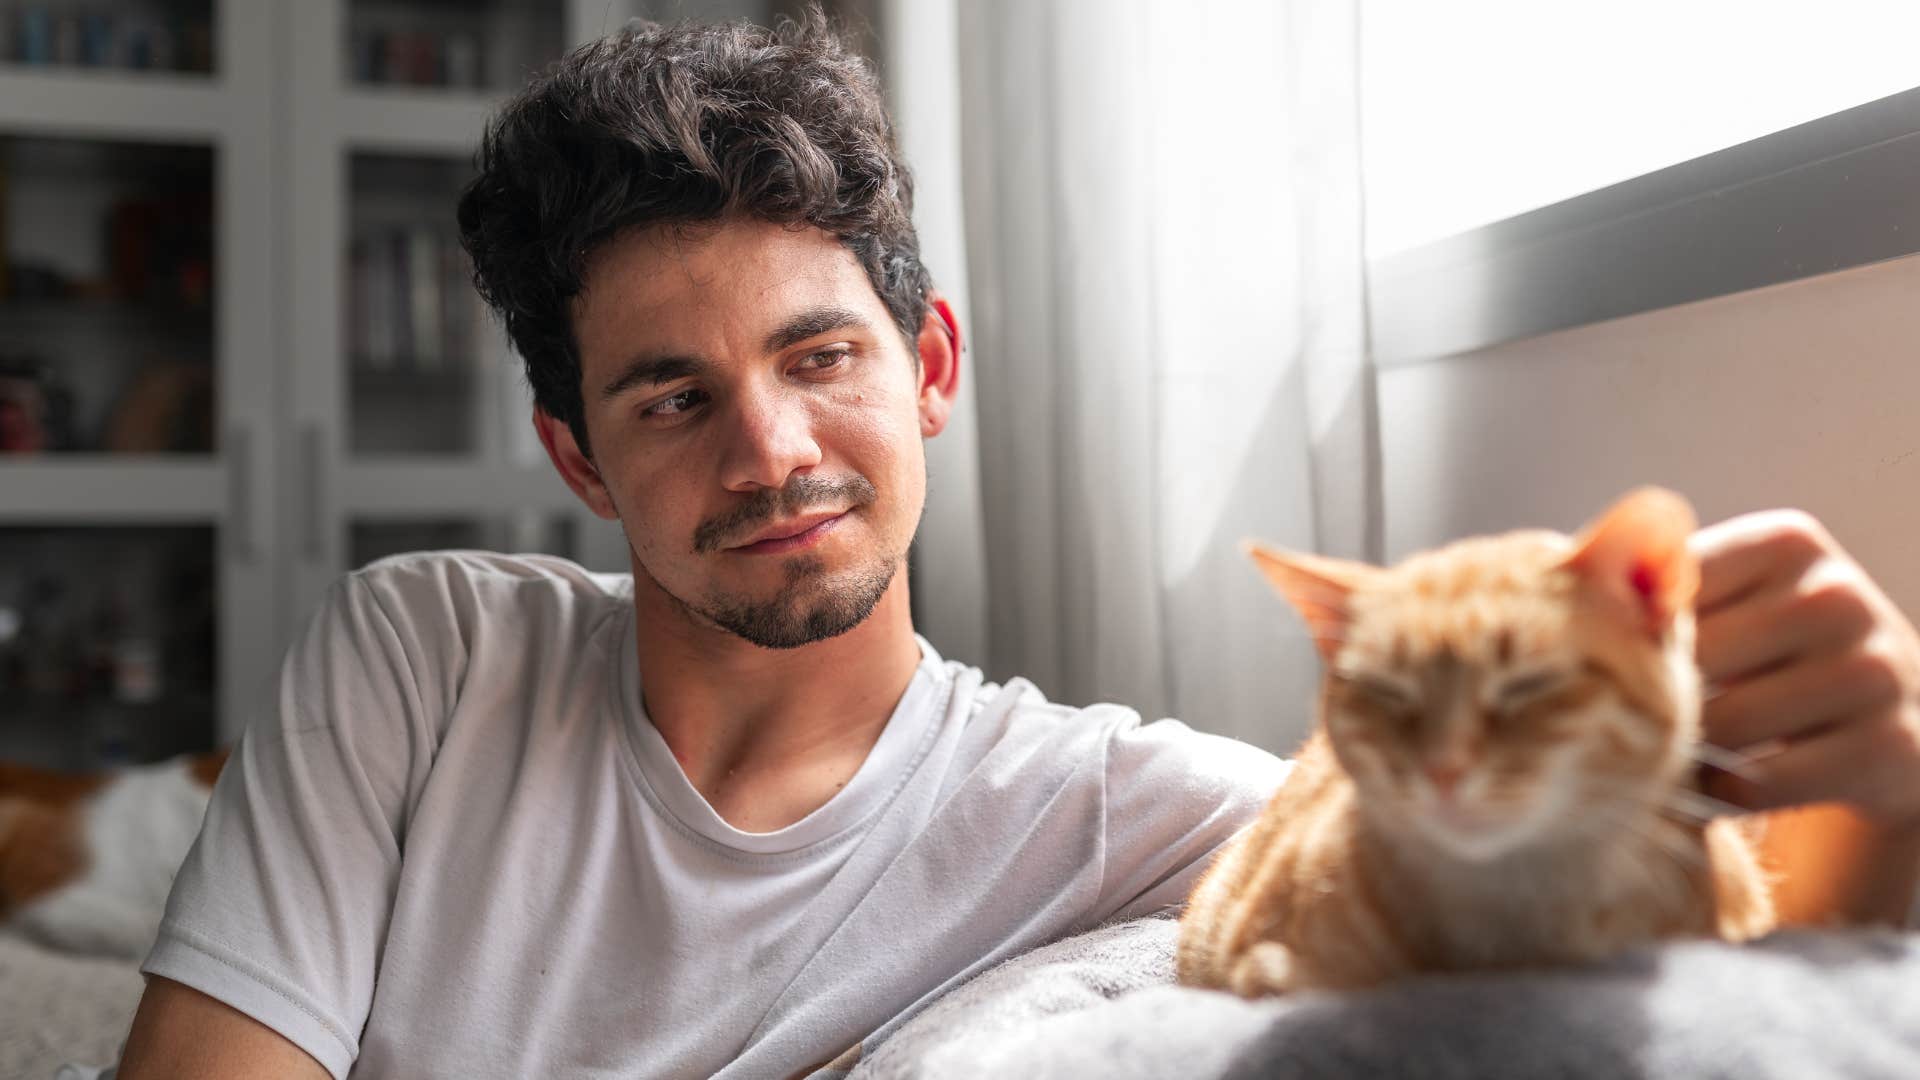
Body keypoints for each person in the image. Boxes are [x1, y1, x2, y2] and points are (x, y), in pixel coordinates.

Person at [117, 11, 1920, 1080]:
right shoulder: (424, 649)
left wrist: (1882, 774)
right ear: (577, 460)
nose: (771, 449)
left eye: (820, 359)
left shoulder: (1119, 811)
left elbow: (1676, 968)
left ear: (932, 371)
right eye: (671, 399)